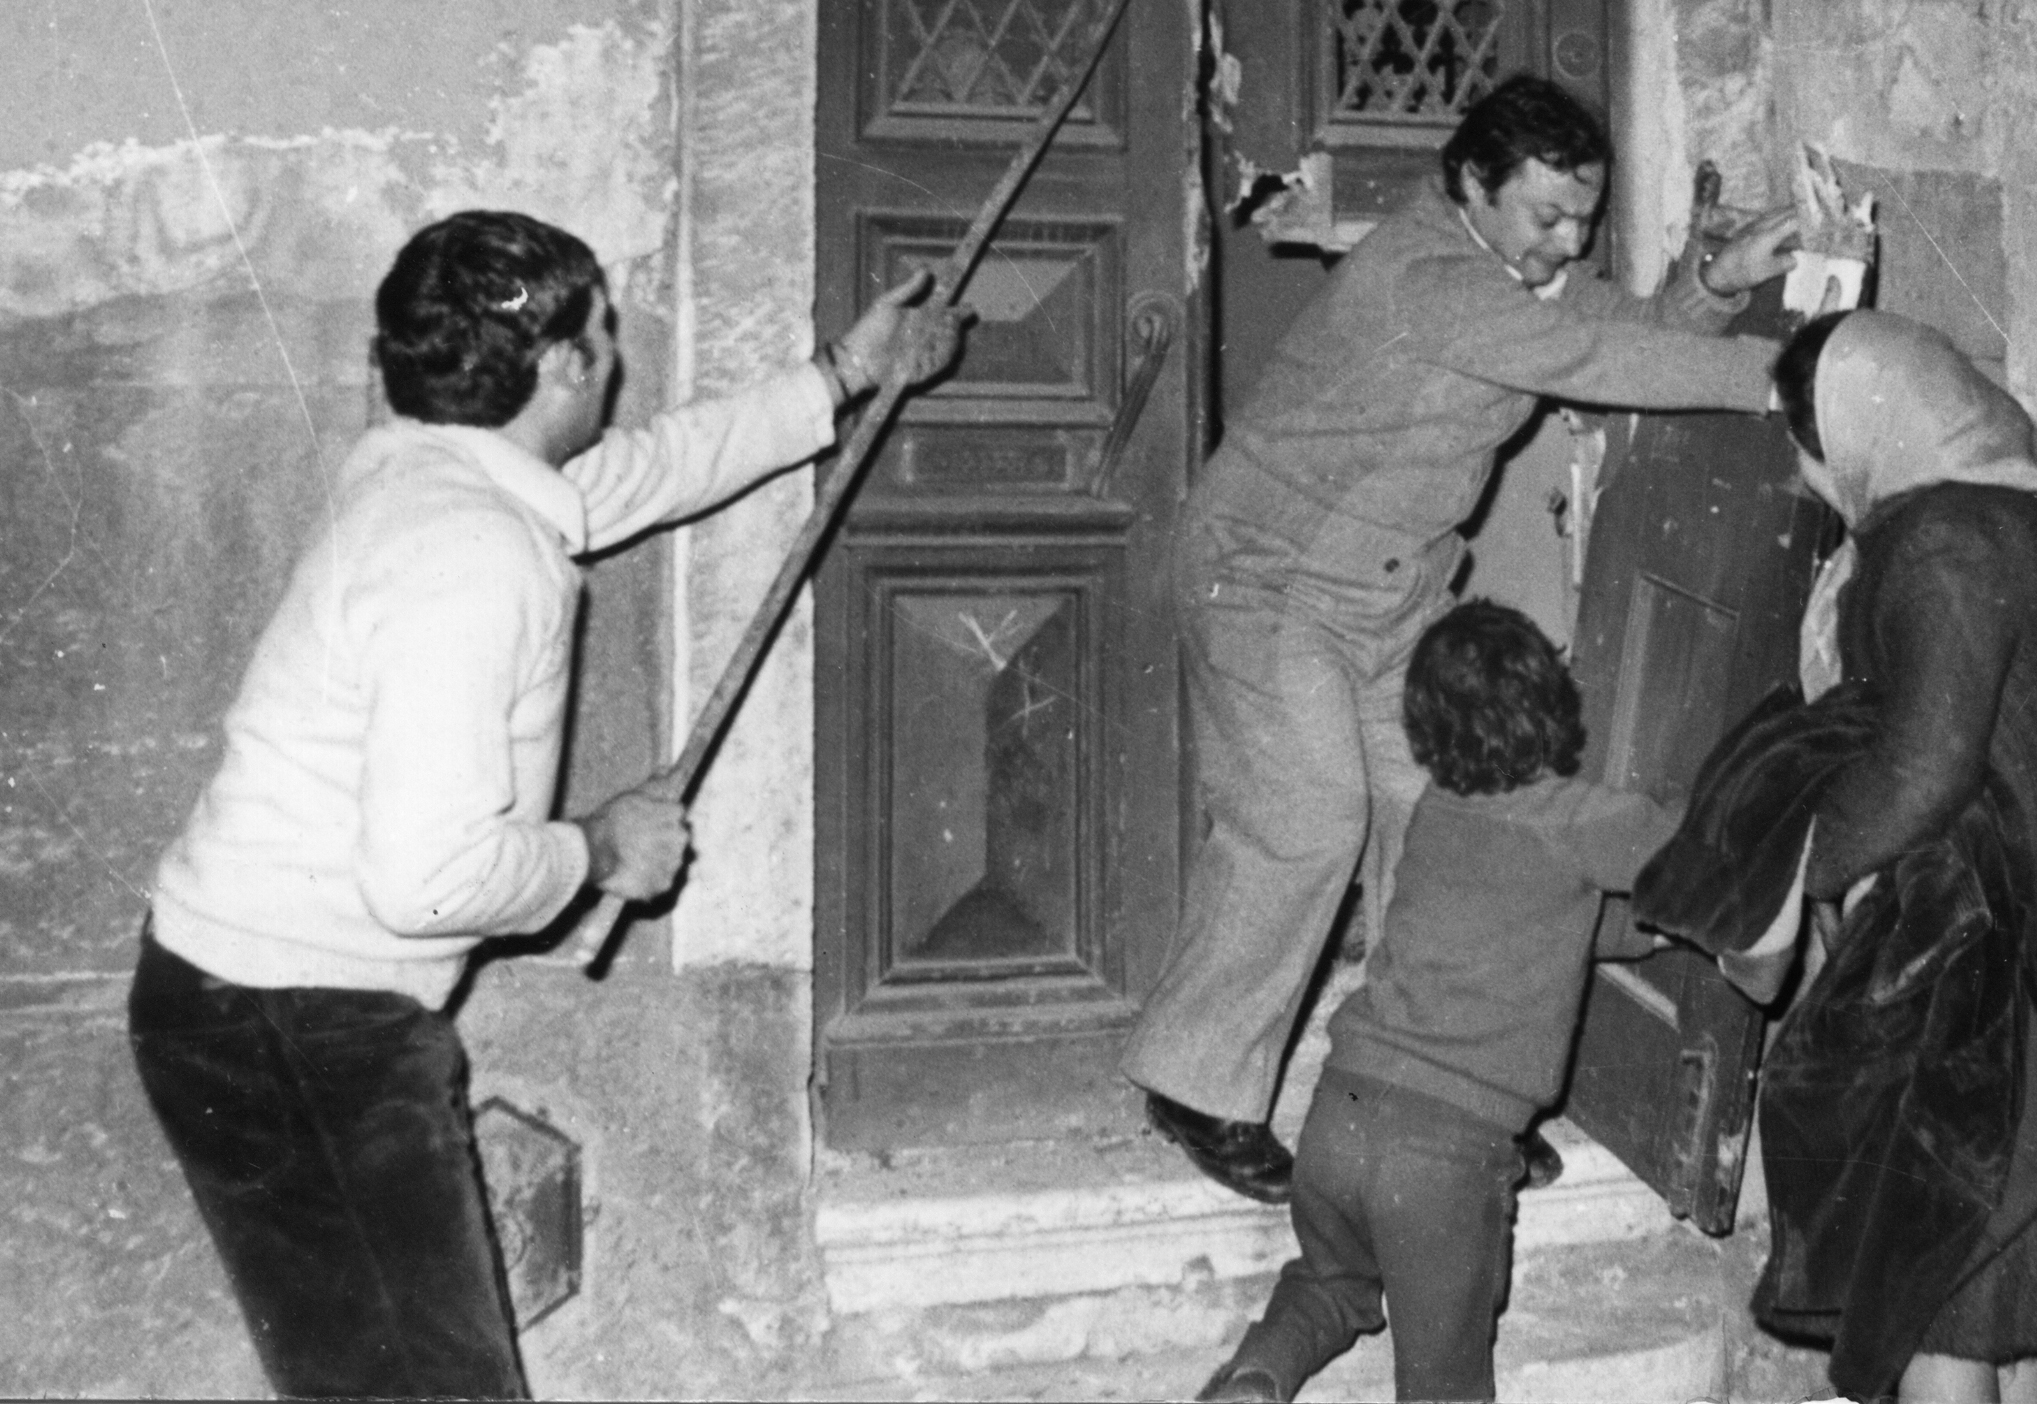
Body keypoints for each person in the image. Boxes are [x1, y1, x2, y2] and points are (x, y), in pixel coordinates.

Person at [127, 209, 963, 1401]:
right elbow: (425, 879)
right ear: (562, 364)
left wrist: (845, 371)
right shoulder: (474, 554)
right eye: (604, 333)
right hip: (298, 1017)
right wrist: (596, 848)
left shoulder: (440, 482)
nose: (617, 357)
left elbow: (650, 469)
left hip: (247, 999)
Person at [1124, 73, 1797, 1201]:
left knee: (1445, 814)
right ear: (1472, 186)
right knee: (1308, 816)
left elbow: (1610, 325)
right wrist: (1800, 378)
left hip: (1386, 597)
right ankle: (1193, 1082)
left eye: (1584, 217)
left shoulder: (1506, 267)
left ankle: (1438, 1085)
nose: (1568, 242)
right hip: (1268, 578)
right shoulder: (1423, 278)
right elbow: (1592, 362)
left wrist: (1712, 283)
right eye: (1547, 217)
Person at [1646, 310, 2037, 1404]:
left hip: (2017, 992)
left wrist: (1780, 866)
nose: (1806, 474)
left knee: (1935, 1303)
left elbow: (1922, 772)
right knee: (2005, 1311)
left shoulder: (1948, 539)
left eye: (1803, 441)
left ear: (1856, 425)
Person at [1195, 601, 1681, 1402]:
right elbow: (1693, 857)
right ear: (1554, 707)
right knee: (1443, 1380)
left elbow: (1542, 915)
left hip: (1339, 1112)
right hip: (1444, 1156)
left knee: (1331, 1280)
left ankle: (1255, 1379)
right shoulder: (1582, 818)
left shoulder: (1436, 813)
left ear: (1424, 730)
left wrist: (1640, 932)